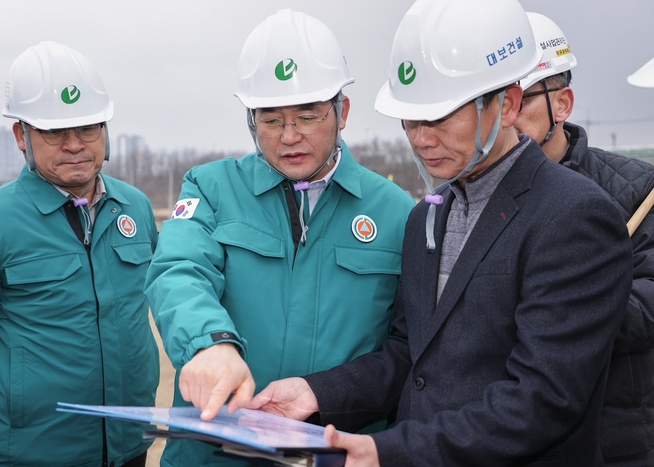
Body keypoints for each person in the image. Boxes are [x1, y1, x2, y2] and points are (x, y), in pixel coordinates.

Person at [246, 0, 633, 465]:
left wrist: (390, 451)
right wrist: (315, 393)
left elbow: (542, 399)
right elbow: (411, 355)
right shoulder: (427, 217)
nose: (421, 138)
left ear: (507, 104)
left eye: (442, 116)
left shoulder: (574, 217)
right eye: (410, 118)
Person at [144, 8, 414, 467]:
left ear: (342, 111)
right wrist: (210, 344)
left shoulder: (396, 212)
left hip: (332, 452)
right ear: (251, 119)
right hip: (213, 456)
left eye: (307, 117)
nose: (290, 137)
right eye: (271, 120)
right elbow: (178, 270)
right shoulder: (211, 188)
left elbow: (404, 348)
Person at [0, 41, 159, 466]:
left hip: (129, 447)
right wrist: (14, 406)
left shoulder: (136, 207)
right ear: (21, 136)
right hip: (34, 455)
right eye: (54, 131)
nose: (74, 144)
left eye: (87, 128)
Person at [513, 14, 654, 466]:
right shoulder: (466, 199)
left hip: (616, 440)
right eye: (493, 100)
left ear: (564, 103)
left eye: (521, 99)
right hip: (510, 436)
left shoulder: (636, 191)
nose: (505, 116)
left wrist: (555, 305)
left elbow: (648, 307)